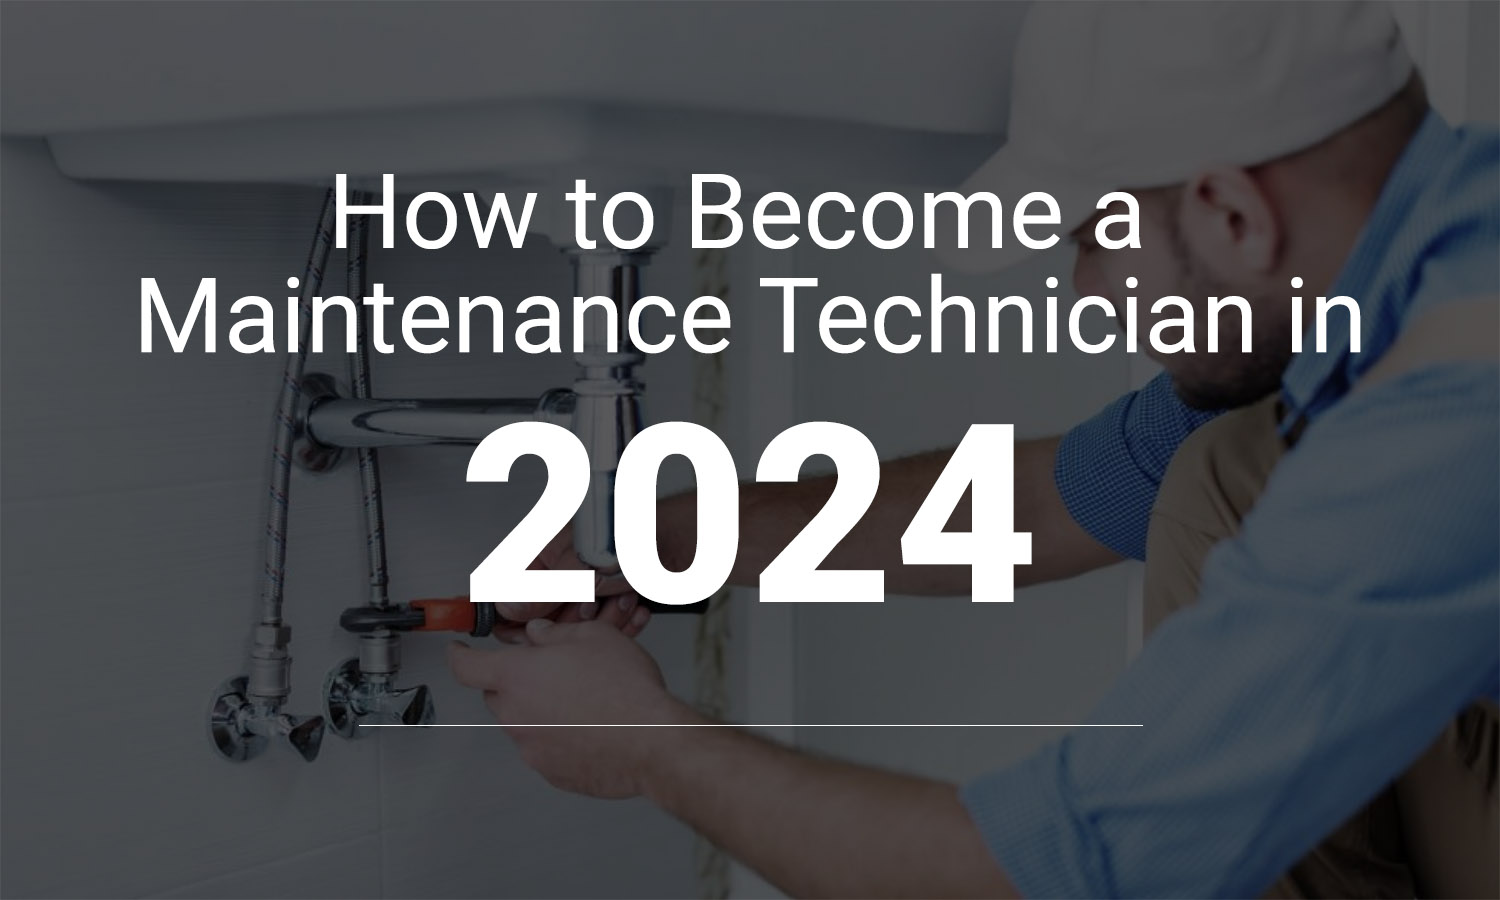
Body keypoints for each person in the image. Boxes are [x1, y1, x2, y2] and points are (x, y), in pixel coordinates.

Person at [449, 2, 1500, 896]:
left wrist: (648, 746)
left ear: (1230, 213)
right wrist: (678, 536)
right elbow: (1038, 504)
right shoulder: (1409, 295)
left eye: (1092, 237)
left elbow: (1084, 870)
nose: (1086, 292)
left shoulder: (1451, 409)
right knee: (1220, 474)